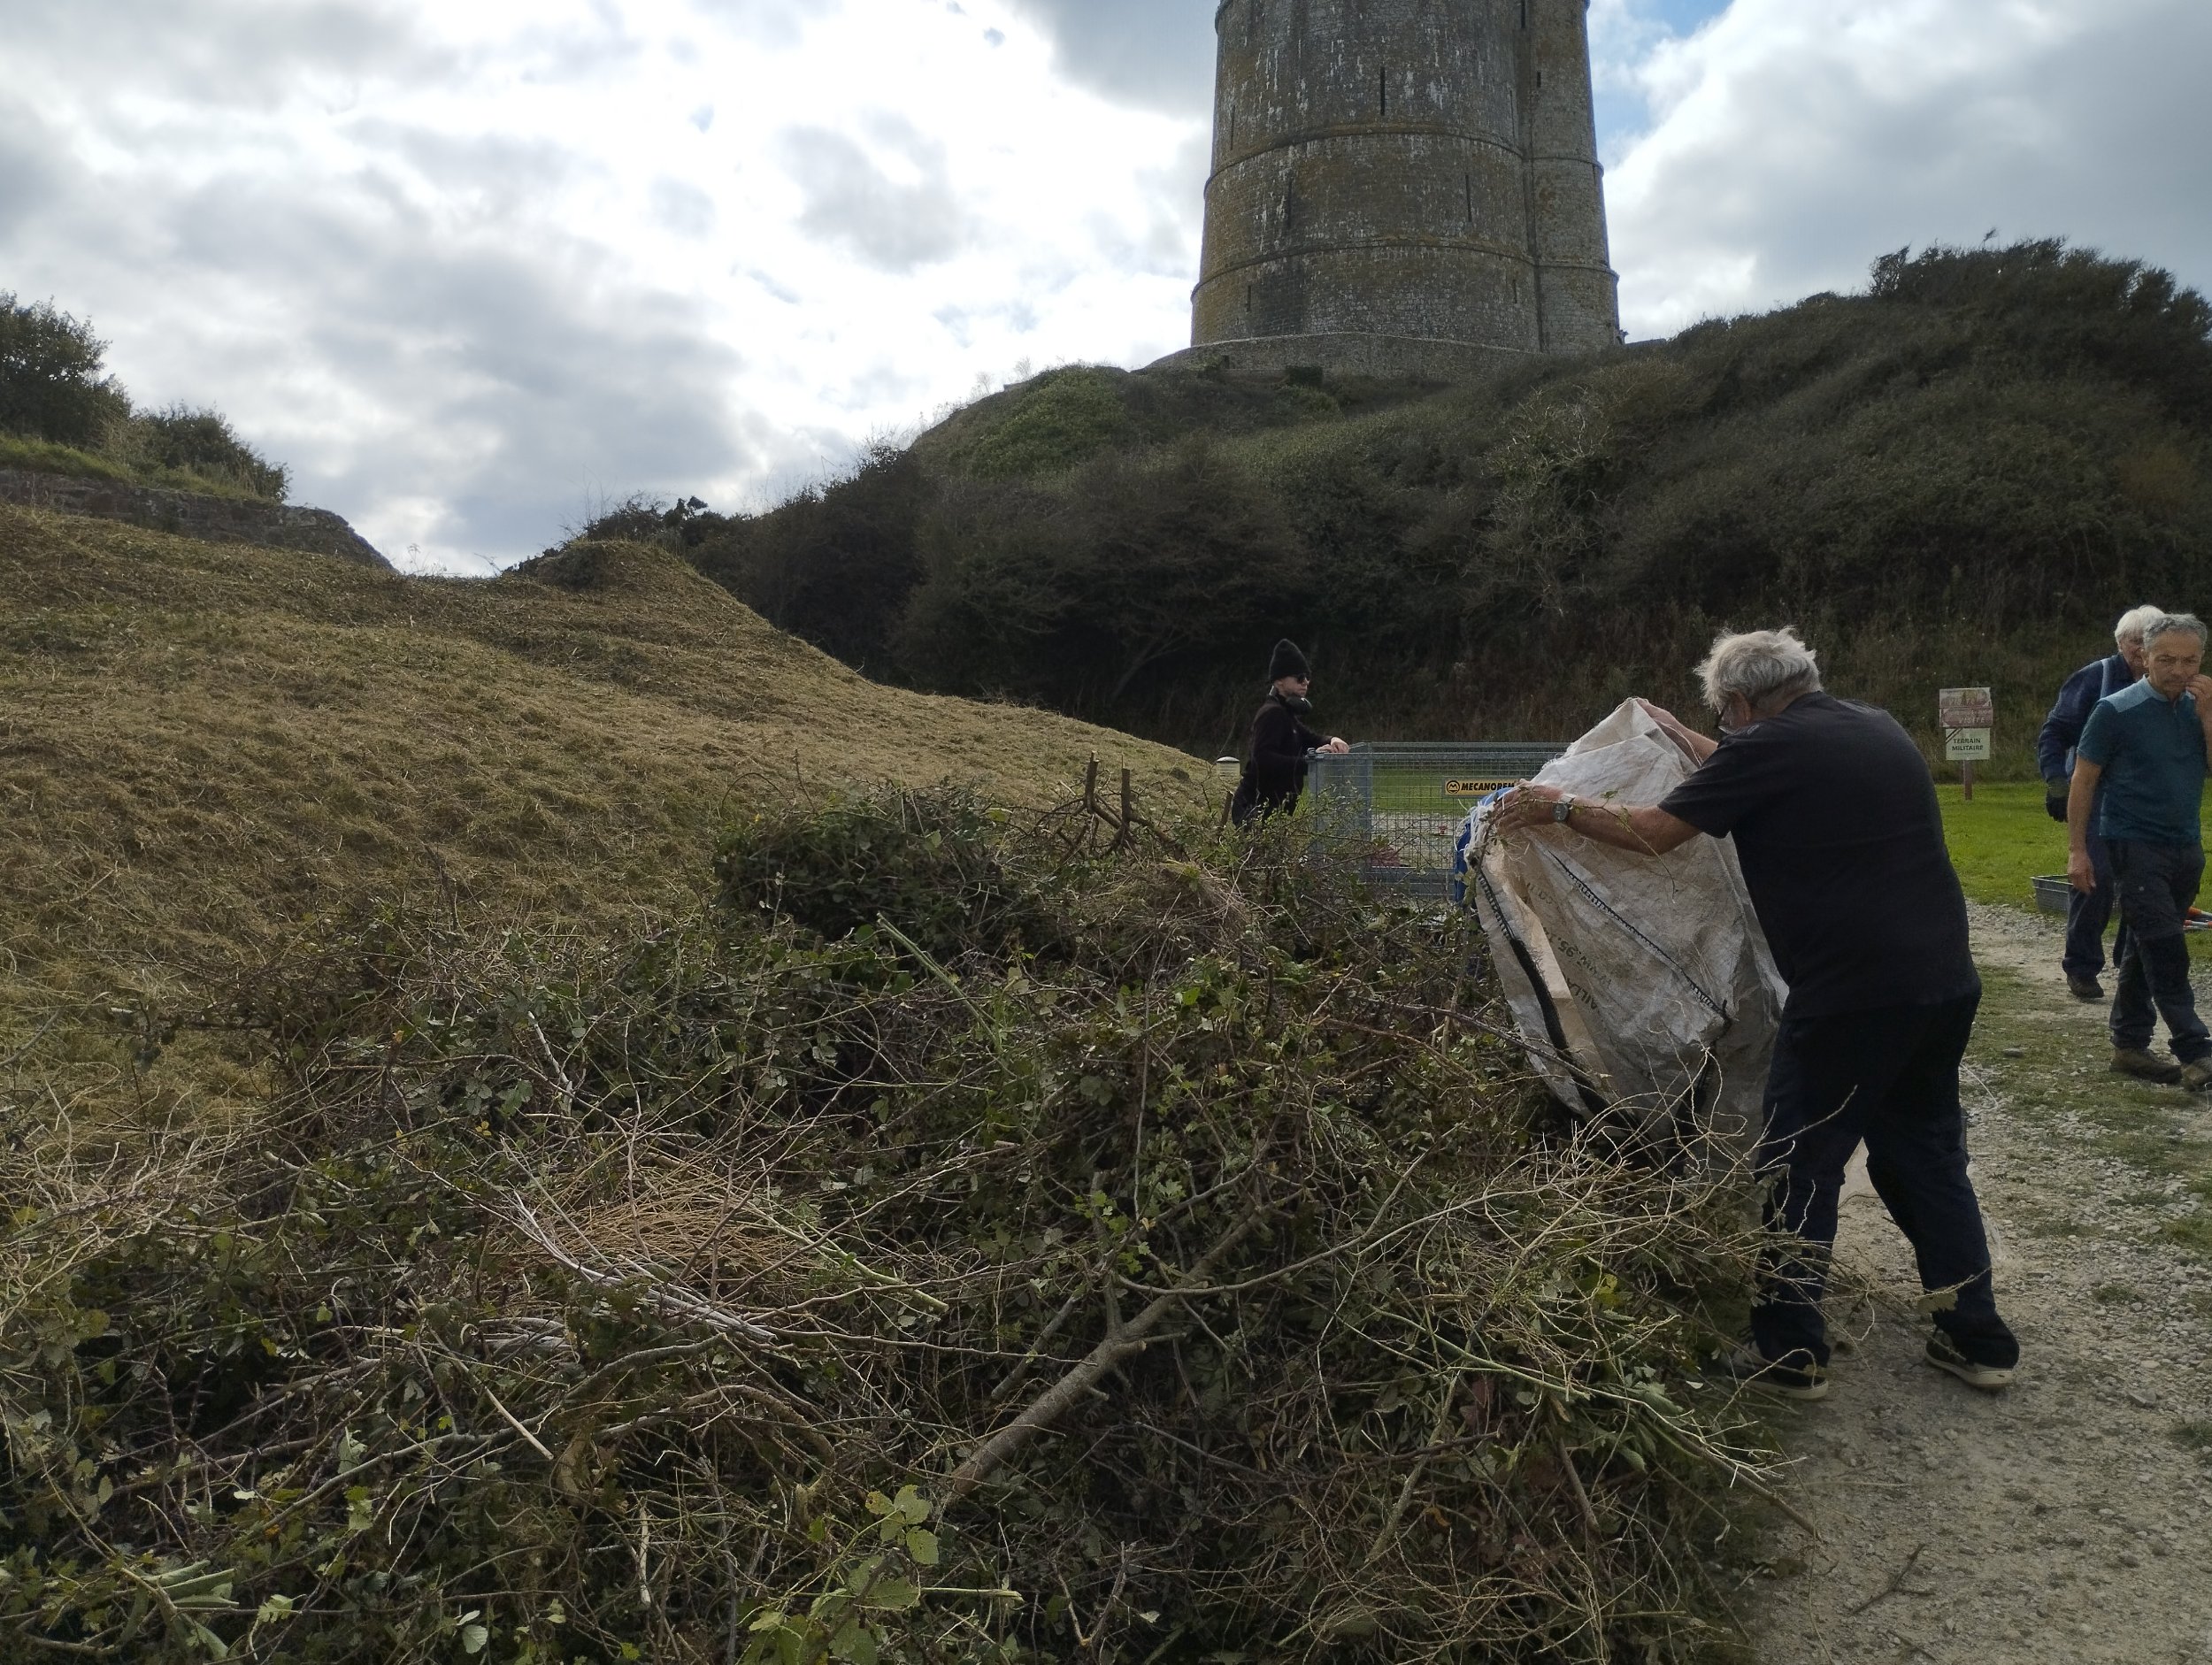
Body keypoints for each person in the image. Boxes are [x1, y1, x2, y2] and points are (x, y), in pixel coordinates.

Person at [1492, 628, 2018, 1400]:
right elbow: (1755, 768)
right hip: (1940, 983)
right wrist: (1686, 735)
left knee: (1800, 1163)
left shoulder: (1768, 748)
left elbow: (1655, 832)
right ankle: (1977, 1337)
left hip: (1849, 996)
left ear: (1741, 703)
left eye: (1726, 717)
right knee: (1925, 1155)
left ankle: (1788, 1350)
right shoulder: (1872, 726)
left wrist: (1559, 806)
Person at [2065, 612, 2212, 1088]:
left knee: (2145, 943)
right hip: (2132, 843)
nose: (2179, 670)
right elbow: (2083, 780)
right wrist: (2078, 851)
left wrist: (2207, 717)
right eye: (2166, 659)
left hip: (2186, 844)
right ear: (2144, 657)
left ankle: (2129, 1045)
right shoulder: (2115, 710)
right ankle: (2196, 1049)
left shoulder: (2201, 707)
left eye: (2190, 660)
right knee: (2166, 947)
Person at [2039, 604, 2163, 1001]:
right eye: (2135, 642)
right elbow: (2055, 731)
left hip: (2146, 798)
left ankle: (2130, 963)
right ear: (2120, 642)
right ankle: (2081, 966)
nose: (2141, 650)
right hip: (2095, 794)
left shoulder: (2170, 685)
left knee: (2144, 881)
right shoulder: (2096, 678)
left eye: (2149, 641)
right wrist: (2056, 781)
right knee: (2095, 876)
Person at [1229, 640, 1348, 826]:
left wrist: (1333, 740)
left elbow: (1310, 738)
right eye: (1299, 677)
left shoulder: (1286, 714)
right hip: (1255, 809)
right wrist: (1308, 763)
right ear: (1279, 681)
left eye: (1307, 677)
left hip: (1273, 811)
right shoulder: (1272, 714)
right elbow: (1263, 758)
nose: (1306, 682)